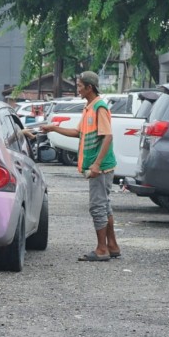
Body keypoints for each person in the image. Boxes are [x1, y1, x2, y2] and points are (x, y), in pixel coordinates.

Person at [41, 71, 119, 261]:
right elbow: (78, 132)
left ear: (89, 87)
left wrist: (96, 165)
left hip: (100, 167)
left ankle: (102, 250)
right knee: (104, 206)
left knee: (97, 206)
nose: (78, 89)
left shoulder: (99, 107)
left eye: (79, 86)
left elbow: (107, 136)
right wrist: (54, 128)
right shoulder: (89, 108)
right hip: (98, 166)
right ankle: (113, 246)